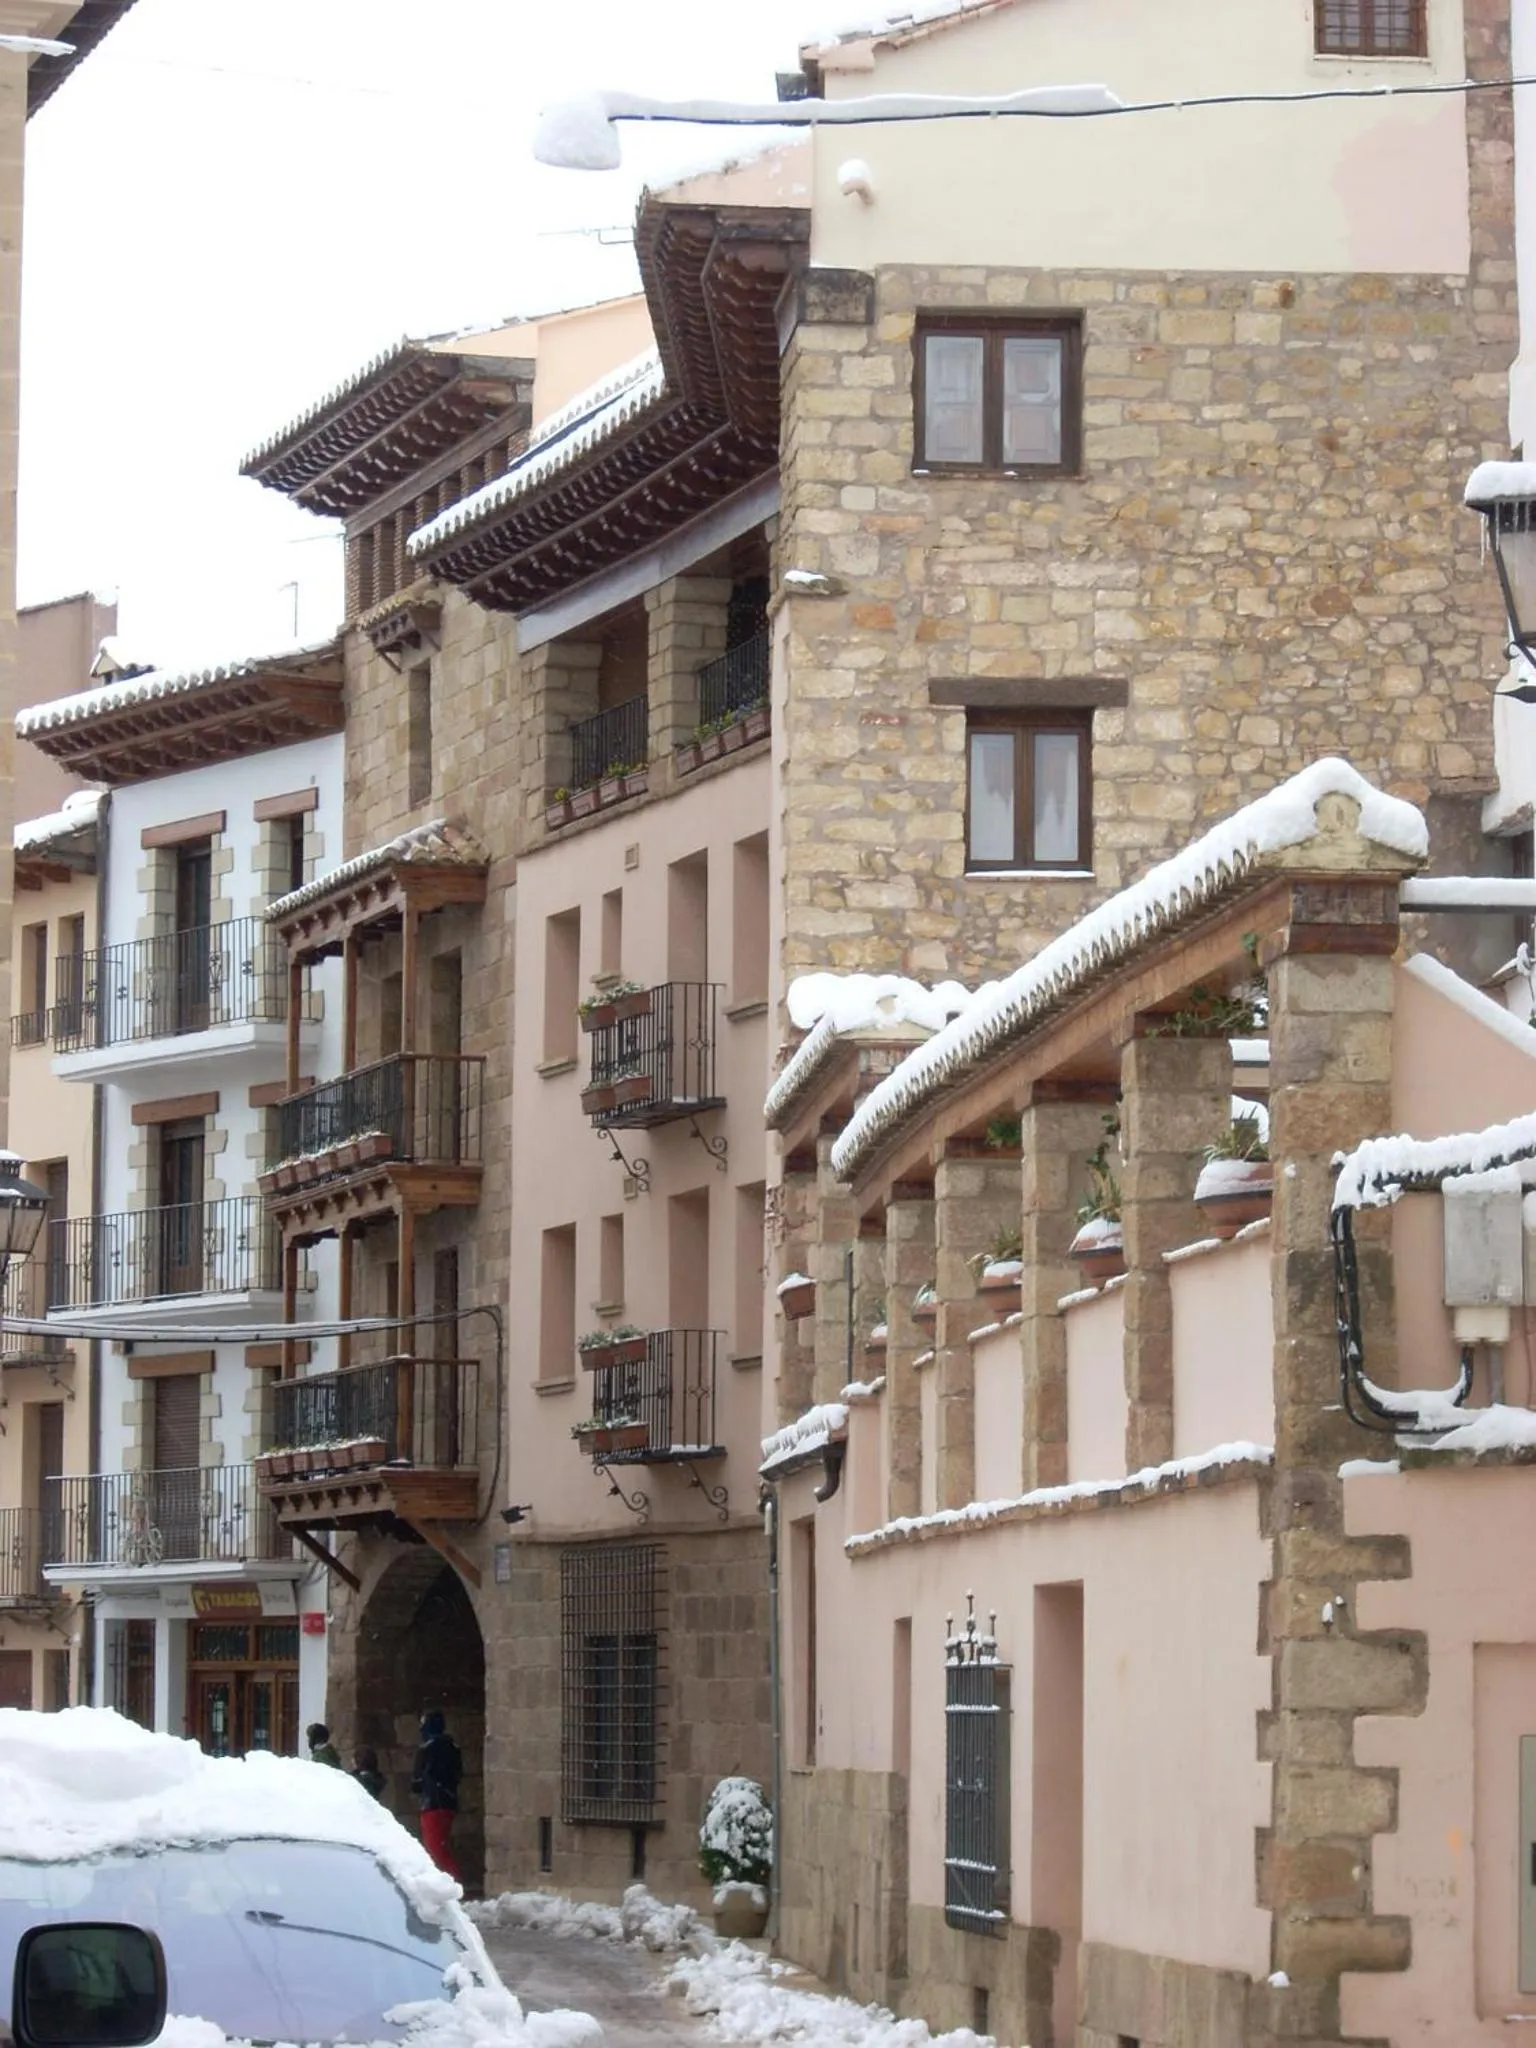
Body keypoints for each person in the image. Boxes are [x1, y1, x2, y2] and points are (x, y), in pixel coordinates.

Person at [410, 1710, 462, 1877]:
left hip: (432, 1802)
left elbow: (416, 1782)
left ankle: (453, 1885)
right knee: (440, 1846)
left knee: (435, 1849)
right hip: (449, 1800)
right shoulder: (453, 1747)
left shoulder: (427, 1749)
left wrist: (426, 1782)